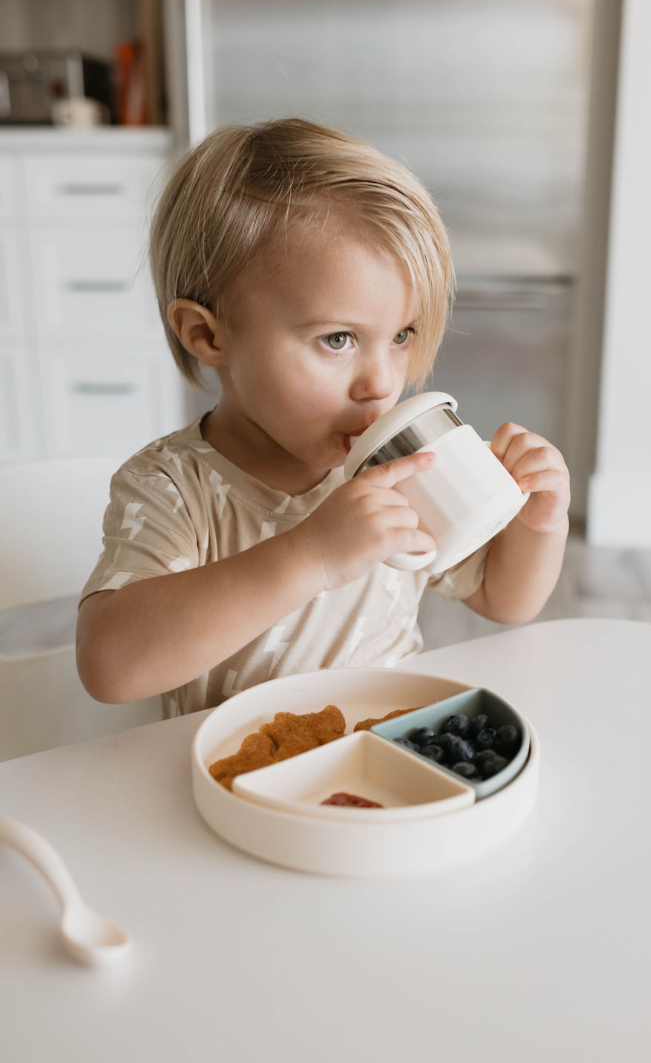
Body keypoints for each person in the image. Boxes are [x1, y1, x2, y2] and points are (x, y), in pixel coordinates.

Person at [76, 117, 570, 718]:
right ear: (208, 335)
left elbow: (501, 598)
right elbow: (110, 666)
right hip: (241, 782)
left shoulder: (401, 470)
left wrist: (540, 525)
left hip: (388, 753)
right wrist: (308, 557)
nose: (383, 382)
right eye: (338, 340)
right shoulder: (175, 488)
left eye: (402, 335)